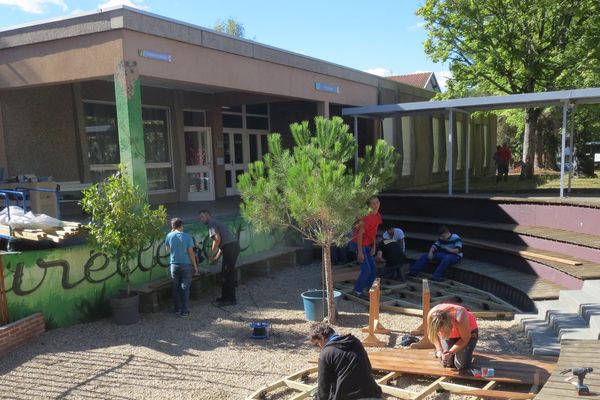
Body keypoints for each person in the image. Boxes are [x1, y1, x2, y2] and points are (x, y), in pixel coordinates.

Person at [310, 322, 382, 400]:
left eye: (317, 343)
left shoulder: (326, 353)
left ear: (322, 337)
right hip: (372, 394)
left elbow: (323, 388)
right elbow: (368, 367)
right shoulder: (355, 342)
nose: (319, 347)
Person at [199, 209, 240, 307]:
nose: (201, 219)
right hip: (231, 247)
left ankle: (230, 299)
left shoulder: (211, 223)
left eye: (202, 217)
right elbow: (223, 244)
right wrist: (217, 257)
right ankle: (225, 297)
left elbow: (217, 239)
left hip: (231, 248)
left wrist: (211, 254)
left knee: (227, 275)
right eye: (200, 218)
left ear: (208, 215)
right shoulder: (216, 222)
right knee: (225, 273)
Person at [427, 303, 478, 370]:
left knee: (461, 365)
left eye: (442, 330)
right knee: (447, 363)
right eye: (439, 331)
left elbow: (465, 339)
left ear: (448, 324)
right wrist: (439, 350)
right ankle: (459, 353)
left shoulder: (459, 317)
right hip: (450, 336)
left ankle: (466, 353)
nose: (440, 332)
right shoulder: (431, 316)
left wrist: (451, 352)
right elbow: (432, 335)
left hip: (468, 334)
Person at [165, 218, 199, 317]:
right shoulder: (187, 237)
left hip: (174, 265)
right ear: (181, 225)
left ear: (173, 227)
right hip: (186, 265)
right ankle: (184, 311)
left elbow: (167, 250)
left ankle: (177, 309)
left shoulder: (169, 236)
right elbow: (191, 253)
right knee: (185, 288)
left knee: (175, 288)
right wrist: (195, 267)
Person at [349, 197, 382, 299]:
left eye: (376, 202)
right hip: (358, 243)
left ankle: (368, 289)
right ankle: (357, 291)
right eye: (372, 203)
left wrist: (374, 246)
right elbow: (359, 235)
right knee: (366, 268)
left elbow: (374, 231)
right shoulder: (366, 217)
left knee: (373, 267)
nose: (375, 205)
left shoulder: (378, 216)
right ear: (369, 206)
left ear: (379, 203)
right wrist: (360, 252)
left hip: (367, 244)